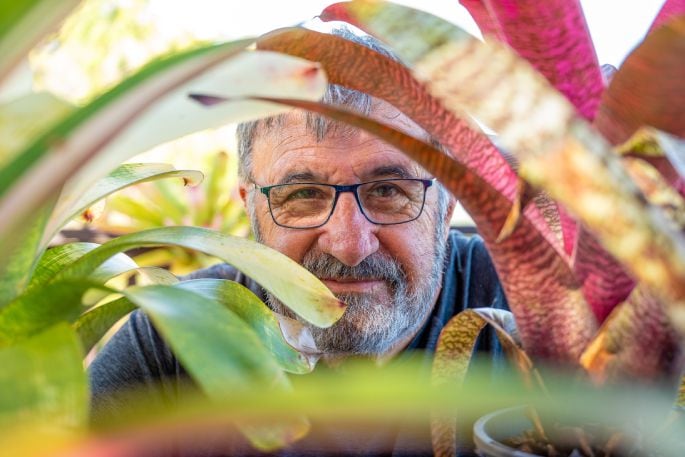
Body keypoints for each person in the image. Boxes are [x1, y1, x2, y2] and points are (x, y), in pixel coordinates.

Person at [89, 27, 508, 456]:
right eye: (304, 195)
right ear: (251, 207)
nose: (349, 244)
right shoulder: (182, 332)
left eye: (388, 191)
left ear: (448, 203)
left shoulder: (530, 320)